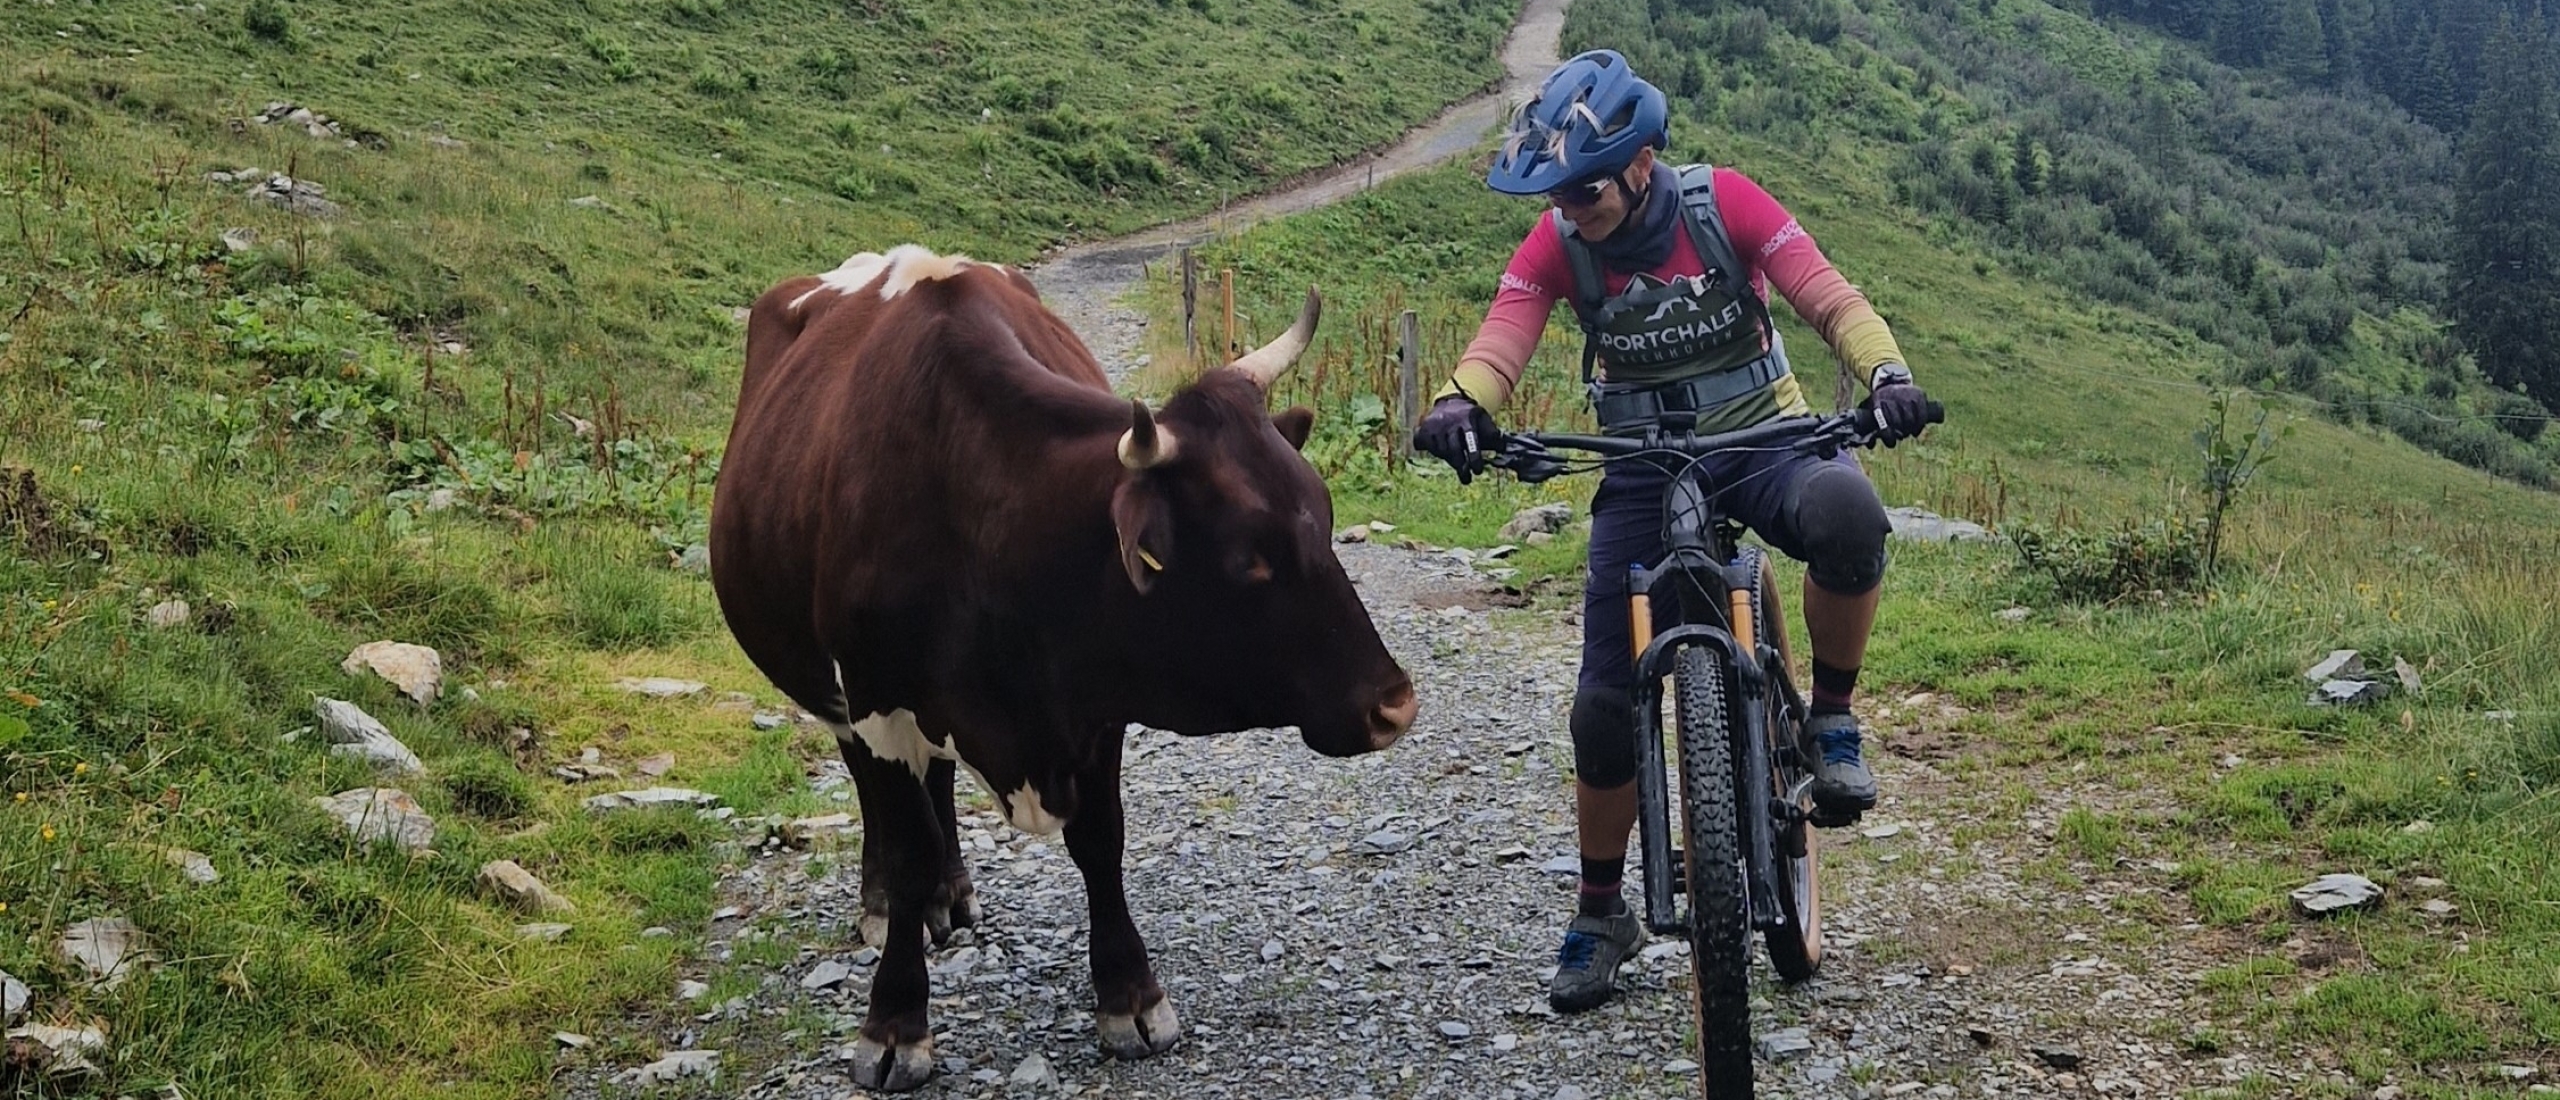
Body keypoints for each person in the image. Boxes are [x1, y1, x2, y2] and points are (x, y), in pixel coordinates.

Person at [1413, 49, 1936, 1014]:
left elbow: (1827, 292)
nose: (1574, 208)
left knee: (1851, 517)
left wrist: (1885, 375)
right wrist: (1463, 401)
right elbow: (1504, 335)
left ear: (1643, 162)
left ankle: (1829, 720)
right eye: (1560, 193)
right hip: (1642, 467)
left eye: (1590, 189)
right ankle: (1601, 908)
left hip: (1766, 438)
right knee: (1604, 707)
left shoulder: (1721, 202)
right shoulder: (1558, 245)